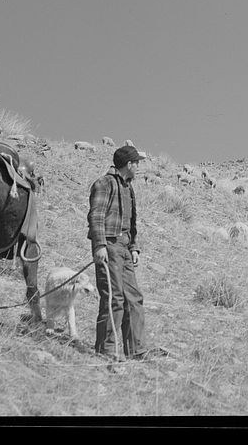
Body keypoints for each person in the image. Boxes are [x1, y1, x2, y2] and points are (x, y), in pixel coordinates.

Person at [87, 144, 147, 360]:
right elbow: (96, 216)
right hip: (109, 246)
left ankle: (136, 350)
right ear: (129, 164)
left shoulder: (128, 188)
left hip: (124, 247)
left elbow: (131, 223)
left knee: (134, 297)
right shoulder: (104, 184)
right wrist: (100, 245)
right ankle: (107, 350)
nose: (139, 167)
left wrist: (134, 247)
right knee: (114, 297)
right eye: (137, 163)